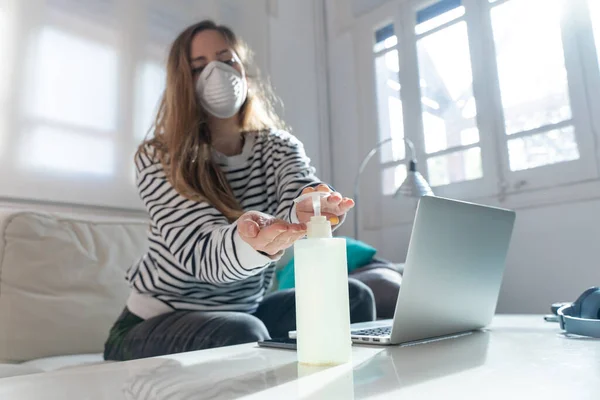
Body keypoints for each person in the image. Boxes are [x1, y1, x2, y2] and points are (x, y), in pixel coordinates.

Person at [103, 20, 376, 361]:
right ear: (181, 82)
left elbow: (297, 188)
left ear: (243, 69)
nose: (216, 73)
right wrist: (253, 244)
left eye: (226, 60)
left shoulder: (277, 145)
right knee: (243, 333)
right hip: (152, 323)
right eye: (199, 67)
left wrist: (310, 205)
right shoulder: (160, 157)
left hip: (246, 311)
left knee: (353, 296)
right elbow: (202, 254)